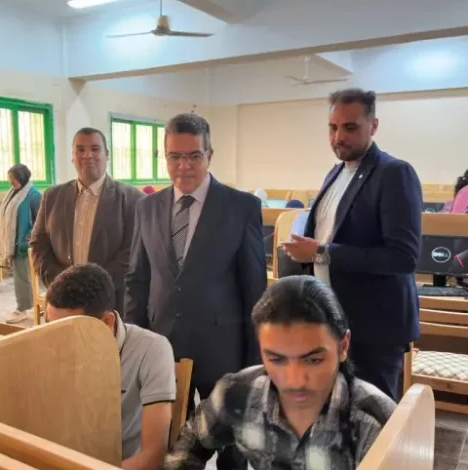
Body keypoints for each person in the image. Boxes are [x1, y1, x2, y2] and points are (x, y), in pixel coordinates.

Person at [125, 113, 267, 470]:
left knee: (232, 448)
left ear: (209, 155)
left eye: (193, 156)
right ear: (164, 156)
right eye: (174, 156)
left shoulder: (241, 207)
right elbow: (137, 279)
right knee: (175, 445)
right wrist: (134, 342)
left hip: (223, 349)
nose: (183, 166)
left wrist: (255, 362)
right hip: (164, 346)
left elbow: (255, 289)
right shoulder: (147, 207)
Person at [165, 276, 396, 470]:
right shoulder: (240, 393)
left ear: (343, 346)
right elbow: (194, 439)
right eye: (276, 359)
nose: (294, 380)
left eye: (313, 360)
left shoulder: (375, 422)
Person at [282, 88, 421, 400]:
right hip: (330, 317)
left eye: (349, 127)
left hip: (373, 326)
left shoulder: (394, 173)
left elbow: (403, 257)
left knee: (372, 415)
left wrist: (321, 252)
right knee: (336, 410)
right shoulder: (335, 173)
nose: (338, 137)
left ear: (373, 125)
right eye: (332, 128)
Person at [45, 263, 175, 470]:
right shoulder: (48, 344)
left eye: (67, 331)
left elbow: (153, 457)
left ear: (106, 322)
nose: (54, 343)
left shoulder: (152, 350)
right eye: (49, 326)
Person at [30, 127, 143, 312]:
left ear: (107, 154)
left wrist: (93, 289)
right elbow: (38, 244)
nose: (87, 155)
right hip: (62, 302)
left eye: (95, 149)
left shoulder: (132, 198)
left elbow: (132, 251)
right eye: (80, 149)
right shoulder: (52, 196)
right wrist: (62, 282)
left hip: (111, 302)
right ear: (72, 156)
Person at [0, 163, 43, 324]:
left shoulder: (33, 195)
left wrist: (27, 239)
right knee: (22, 278)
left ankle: (22, 309)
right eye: (10, 178)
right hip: (14, 243)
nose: (11, 181)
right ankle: (29, 306)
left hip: (25, 245)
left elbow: (41, 221)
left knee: (25, 278)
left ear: (22, 178)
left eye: (14, 178)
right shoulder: (13, 193)